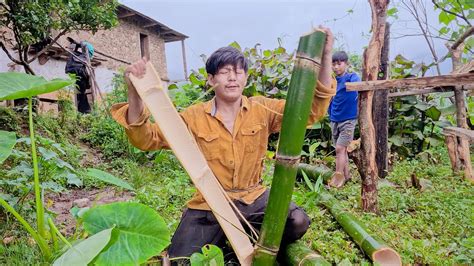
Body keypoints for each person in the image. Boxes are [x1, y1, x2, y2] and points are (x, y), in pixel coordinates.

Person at [111, 27, 336, 260]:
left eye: (239, 72)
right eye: (225, 72)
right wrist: (134, 92)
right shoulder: (193, 116)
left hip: (253, 198)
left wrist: (326, 56)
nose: (232, 78)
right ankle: (227, 241)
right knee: (181, 260)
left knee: (297, 222)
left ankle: (245, 238)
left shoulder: (262, 109)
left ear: (245, 78)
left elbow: (309, 112)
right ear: (211, 79)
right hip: (210, 204)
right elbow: (147, 139)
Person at [327, 51, 360, 188]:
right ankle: (346, 177)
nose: (336, 67)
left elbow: (357, 86)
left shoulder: (352, 77)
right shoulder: (333, 81)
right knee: (341, 150)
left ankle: (337, 178)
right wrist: (330, 113)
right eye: (333, 64)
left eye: (339, 64)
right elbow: (331, 98)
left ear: (346, 64)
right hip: (335, 119)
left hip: (348, 120)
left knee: (340, 148)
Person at [65, 40, 94, 113]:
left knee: (80, 95)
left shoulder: (83, 55)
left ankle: (83, 110)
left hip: (79, 79)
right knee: (80, 95)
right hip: (80, 79)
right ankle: (83, 111)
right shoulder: (81, 59)